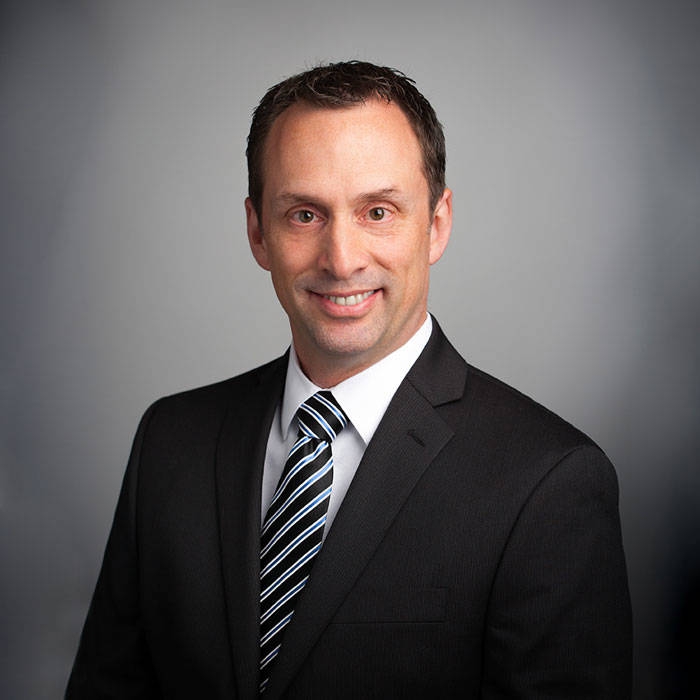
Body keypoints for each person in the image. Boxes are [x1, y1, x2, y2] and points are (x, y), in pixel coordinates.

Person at [66, 61, 632, 698]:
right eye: (305, 215)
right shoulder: (170, 443)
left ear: (437, 224)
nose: (341, 259)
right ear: (257, 231)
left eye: (378, 211)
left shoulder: (549, 481)